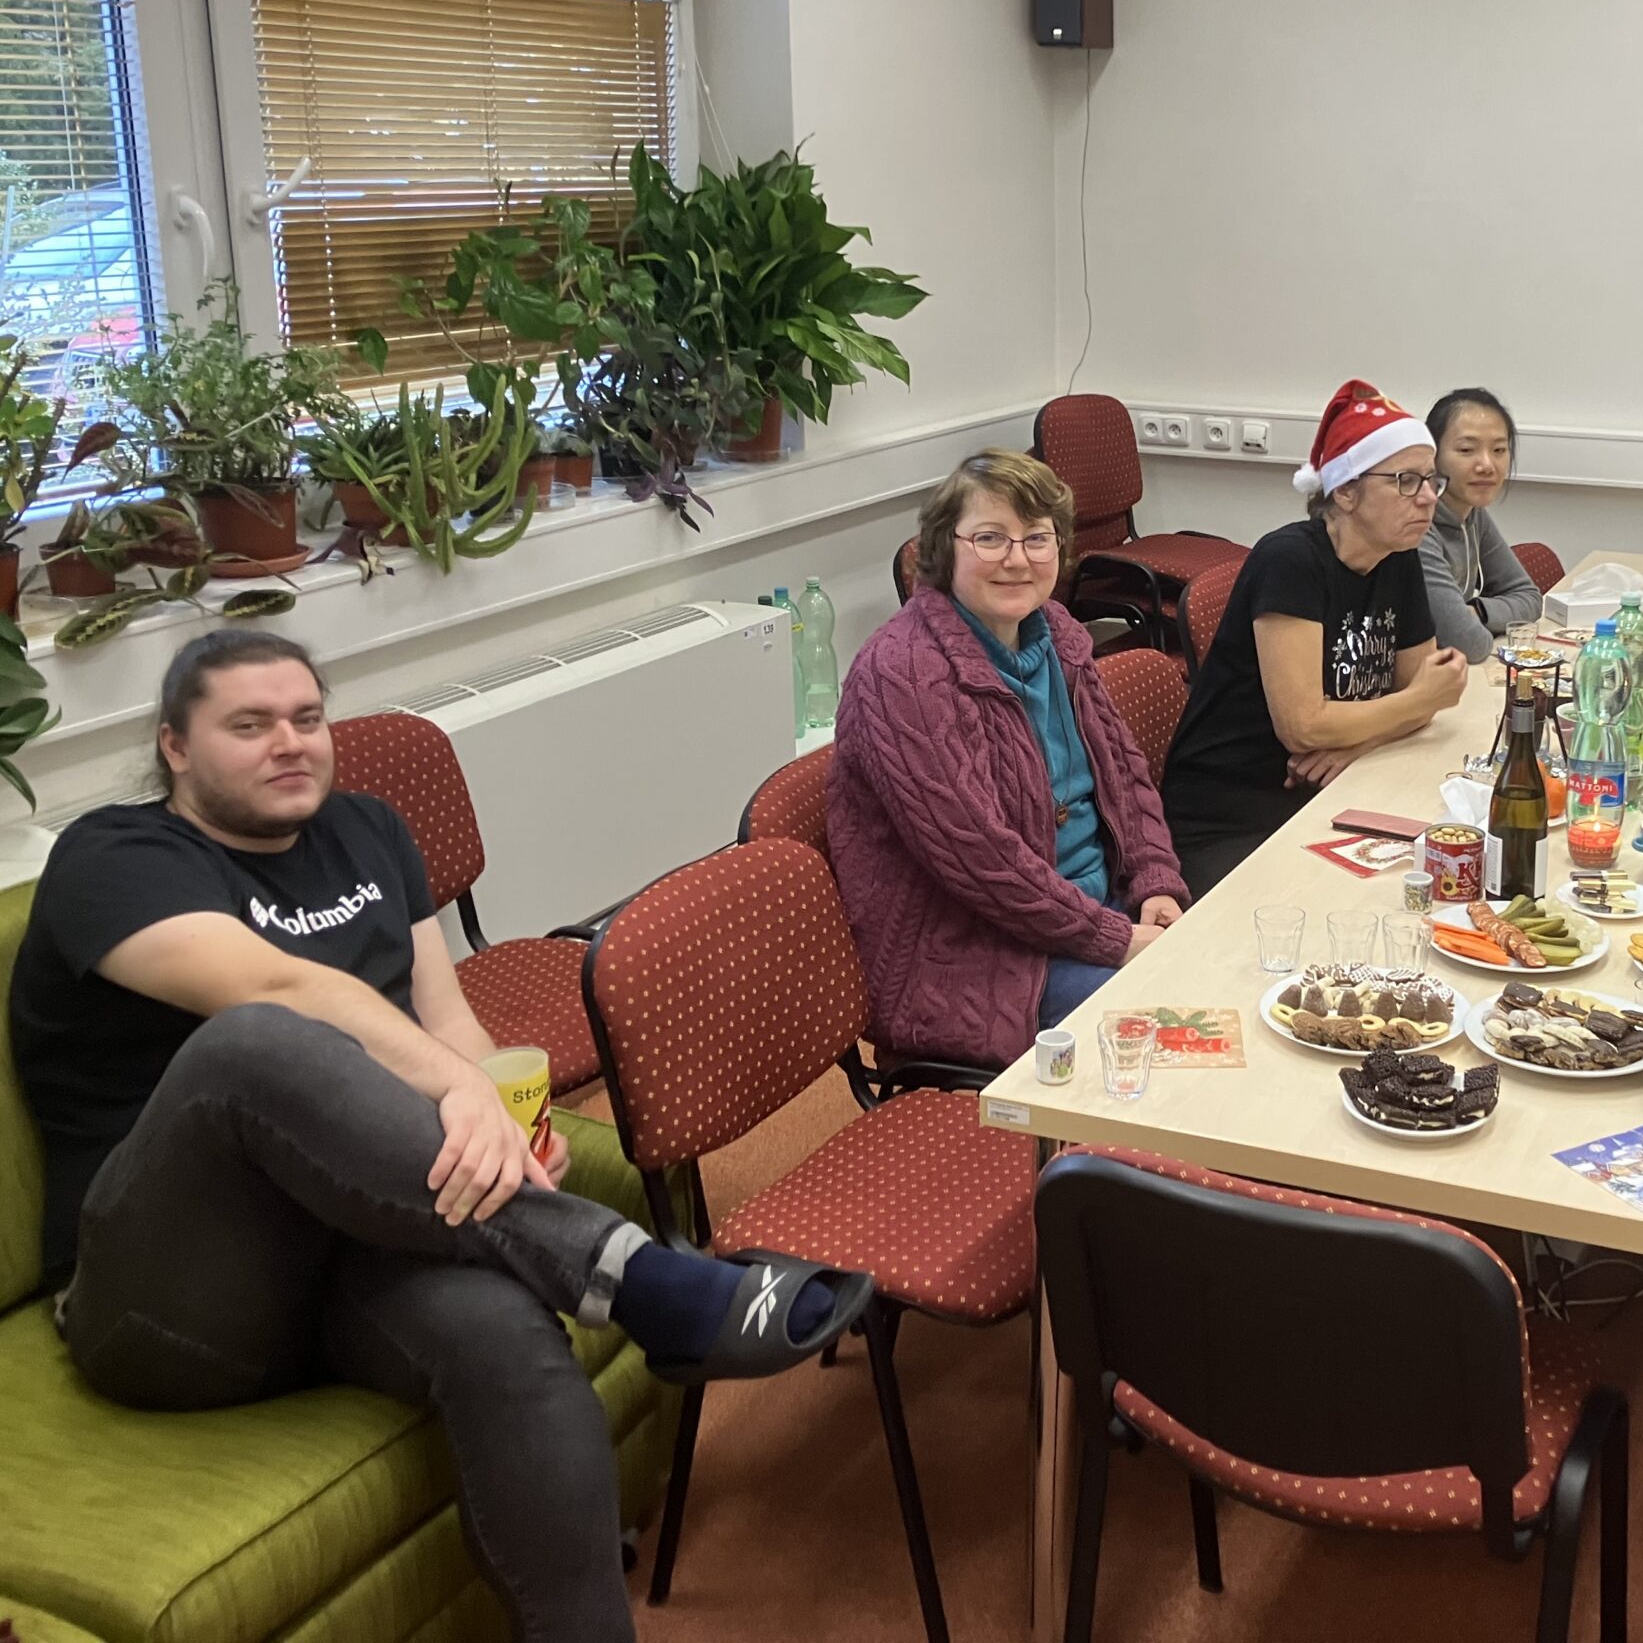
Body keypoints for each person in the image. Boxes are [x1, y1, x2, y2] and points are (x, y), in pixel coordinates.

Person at [9, 631, 864, 1642]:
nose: (289, 742)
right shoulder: (113, 859)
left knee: (501, 1331)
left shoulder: (367, 829)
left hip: (347, 1238)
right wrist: (455, 1090)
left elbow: (448, 1021)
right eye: (249, 724)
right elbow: (274, 987)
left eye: (307, 718)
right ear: (175, 748)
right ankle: (641, 1280)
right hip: (167, 1295)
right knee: (255, 1043)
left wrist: (513, 1129)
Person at [829, 449, 1188, 1067]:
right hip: (981, 955)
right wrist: (1116, 939)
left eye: (1036, 538)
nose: (1017, 559)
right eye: (990, 538)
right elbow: (983, 863)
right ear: (944, 548)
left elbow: (1124, 773)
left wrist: (1155, 878)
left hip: (1096, 910)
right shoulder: (904, 675)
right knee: (1176, 1040)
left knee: (1241, 974)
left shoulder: (1057, 632)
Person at [1160, 379, 1471, 894]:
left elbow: (1421, 695)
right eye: (1406, 481)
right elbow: (1305, 728)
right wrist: (1416, 701)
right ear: (1345, 491)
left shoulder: (1399, 556)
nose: (1429, 498)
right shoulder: (1290, 562)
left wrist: (1359, 741)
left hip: (1327, 790)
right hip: (1231, 814)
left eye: (1431, 480)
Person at [1417, 387, 1545, 661]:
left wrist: (1477, 611)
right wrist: (1468, 623)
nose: (1487, 465)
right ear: (1432, 455)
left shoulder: (1473, 513)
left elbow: (1530, 598)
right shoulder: (1416, 526)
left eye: (1499, 450)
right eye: (1466, 450)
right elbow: (1468, 643)